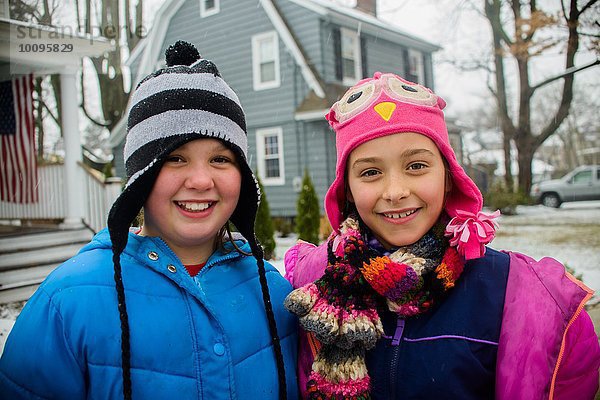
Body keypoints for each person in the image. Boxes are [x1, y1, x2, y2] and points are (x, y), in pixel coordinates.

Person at [0, 41, 298, 400]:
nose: (202, 181)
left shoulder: (275, 294)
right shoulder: (68, 302)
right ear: (141, 176)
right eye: (175, 158)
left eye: (221, 159)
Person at [283, 71, 599, 399]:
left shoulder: (517, 296)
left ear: (448, 177)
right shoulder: (313, 286)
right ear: (347, 189)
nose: (395, 191)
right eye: (371, 172)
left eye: (416, 166)